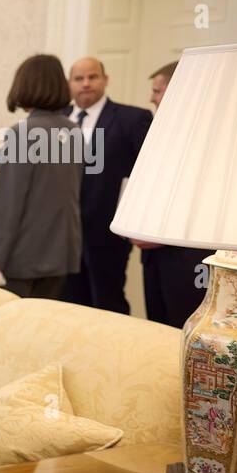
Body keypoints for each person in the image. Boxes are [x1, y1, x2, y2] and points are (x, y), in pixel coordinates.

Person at [0, 55, 82, 298]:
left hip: (23, 258)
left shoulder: (23, 133)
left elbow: (7, 205)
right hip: (62, 253)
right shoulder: (73, 131)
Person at [58, 57, 153, 314]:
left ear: (105, 80)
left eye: (93, 77)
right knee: (66, 305)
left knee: (107, 304)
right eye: (79, 79)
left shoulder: (133, 118)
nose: (86, 84)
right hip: (63, 234)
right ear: (70, 84)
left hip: (107, 234)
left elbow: (150, 172)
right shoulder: (57, 119)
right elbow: (21, 149)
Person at [133, 60, 209, 327]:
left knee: (184, 328)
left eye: (157, 90)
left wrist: (163, 235)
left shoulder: (206, 133)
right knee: (157, 327)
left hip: (187, 257)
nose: (151, 98)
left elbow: (204, 196)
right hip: (153, 253)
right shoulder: (158, 130)